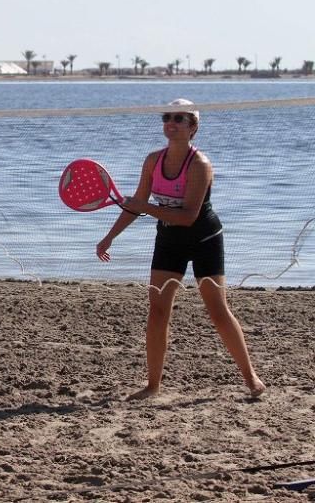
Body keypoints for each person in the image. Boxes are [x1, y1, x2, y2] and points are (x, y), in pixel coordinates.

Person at [96, 99, 265, 400]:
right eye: (166, 117)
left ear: (193, 127)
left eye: (179, 118)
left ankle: (251, 379)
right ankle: (152, 386)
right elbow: (136, 205)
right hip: (169, 240)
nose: (170, 123)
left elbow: (188, 216)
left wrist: (145, 207)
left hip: (204, 239)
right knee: (157, 311)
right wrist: (110, 237)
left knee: (218, 310)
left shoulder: (200, 164)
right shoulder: (152, 161)